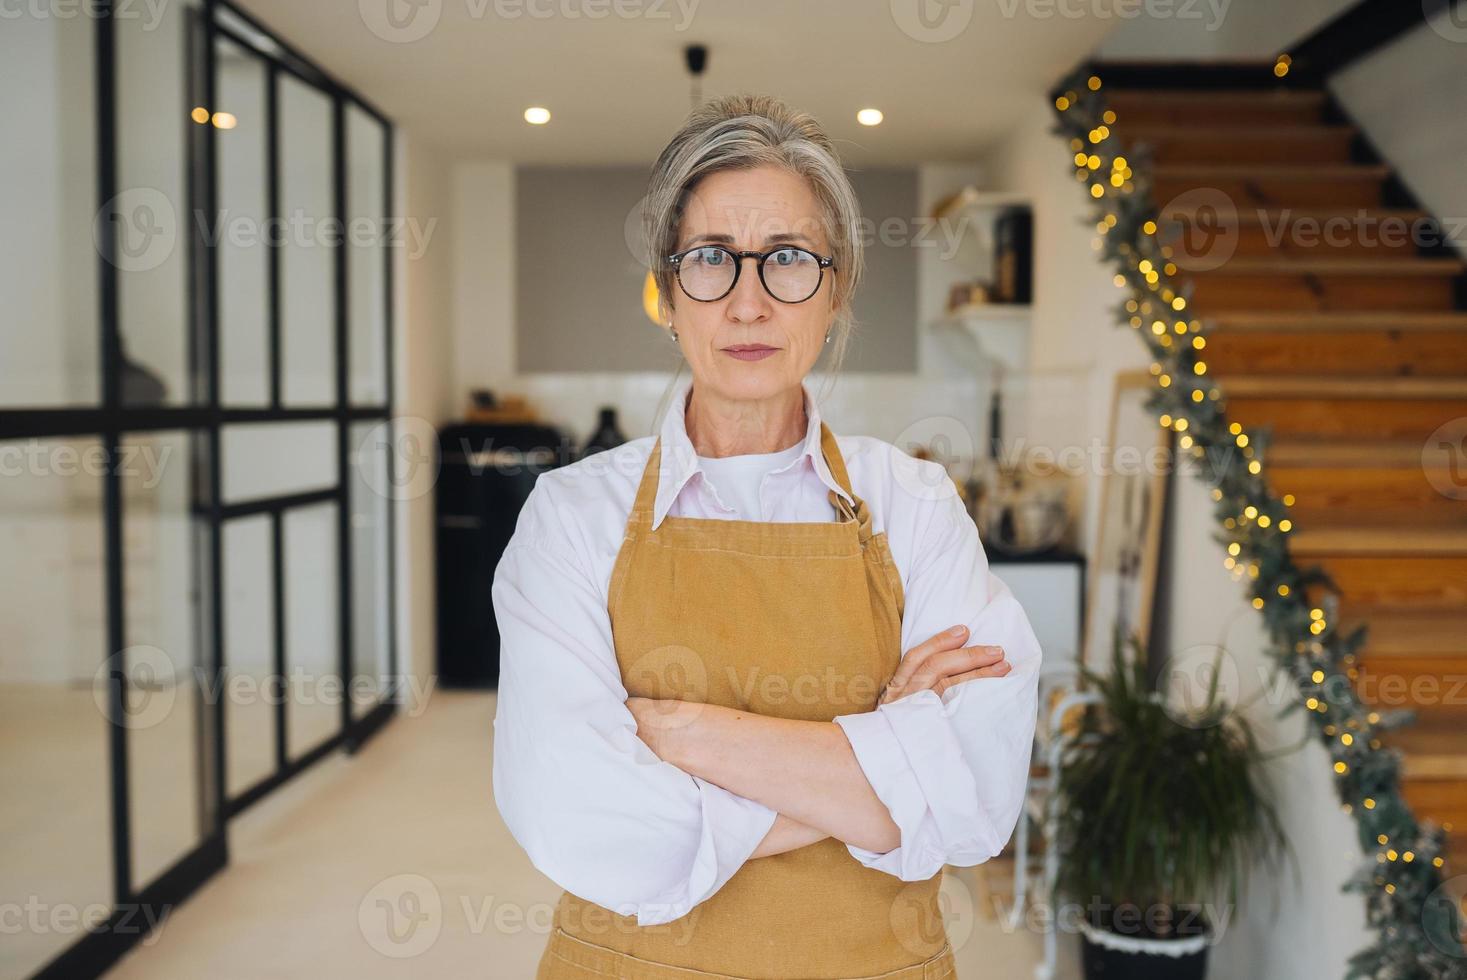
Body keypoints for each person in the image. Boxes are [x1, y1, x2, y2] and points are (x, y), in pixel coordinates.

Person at [491, 92, 1042, 979]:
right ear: (668, 294)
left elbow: (974, 801)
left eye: (787, 259)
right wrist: (886, 758)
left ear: (835, 292)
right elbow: (575, 815)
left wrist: (690, 738)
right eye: (711, 258)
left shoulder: (917, 504)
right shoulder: (572, 514)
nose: (748, 302)